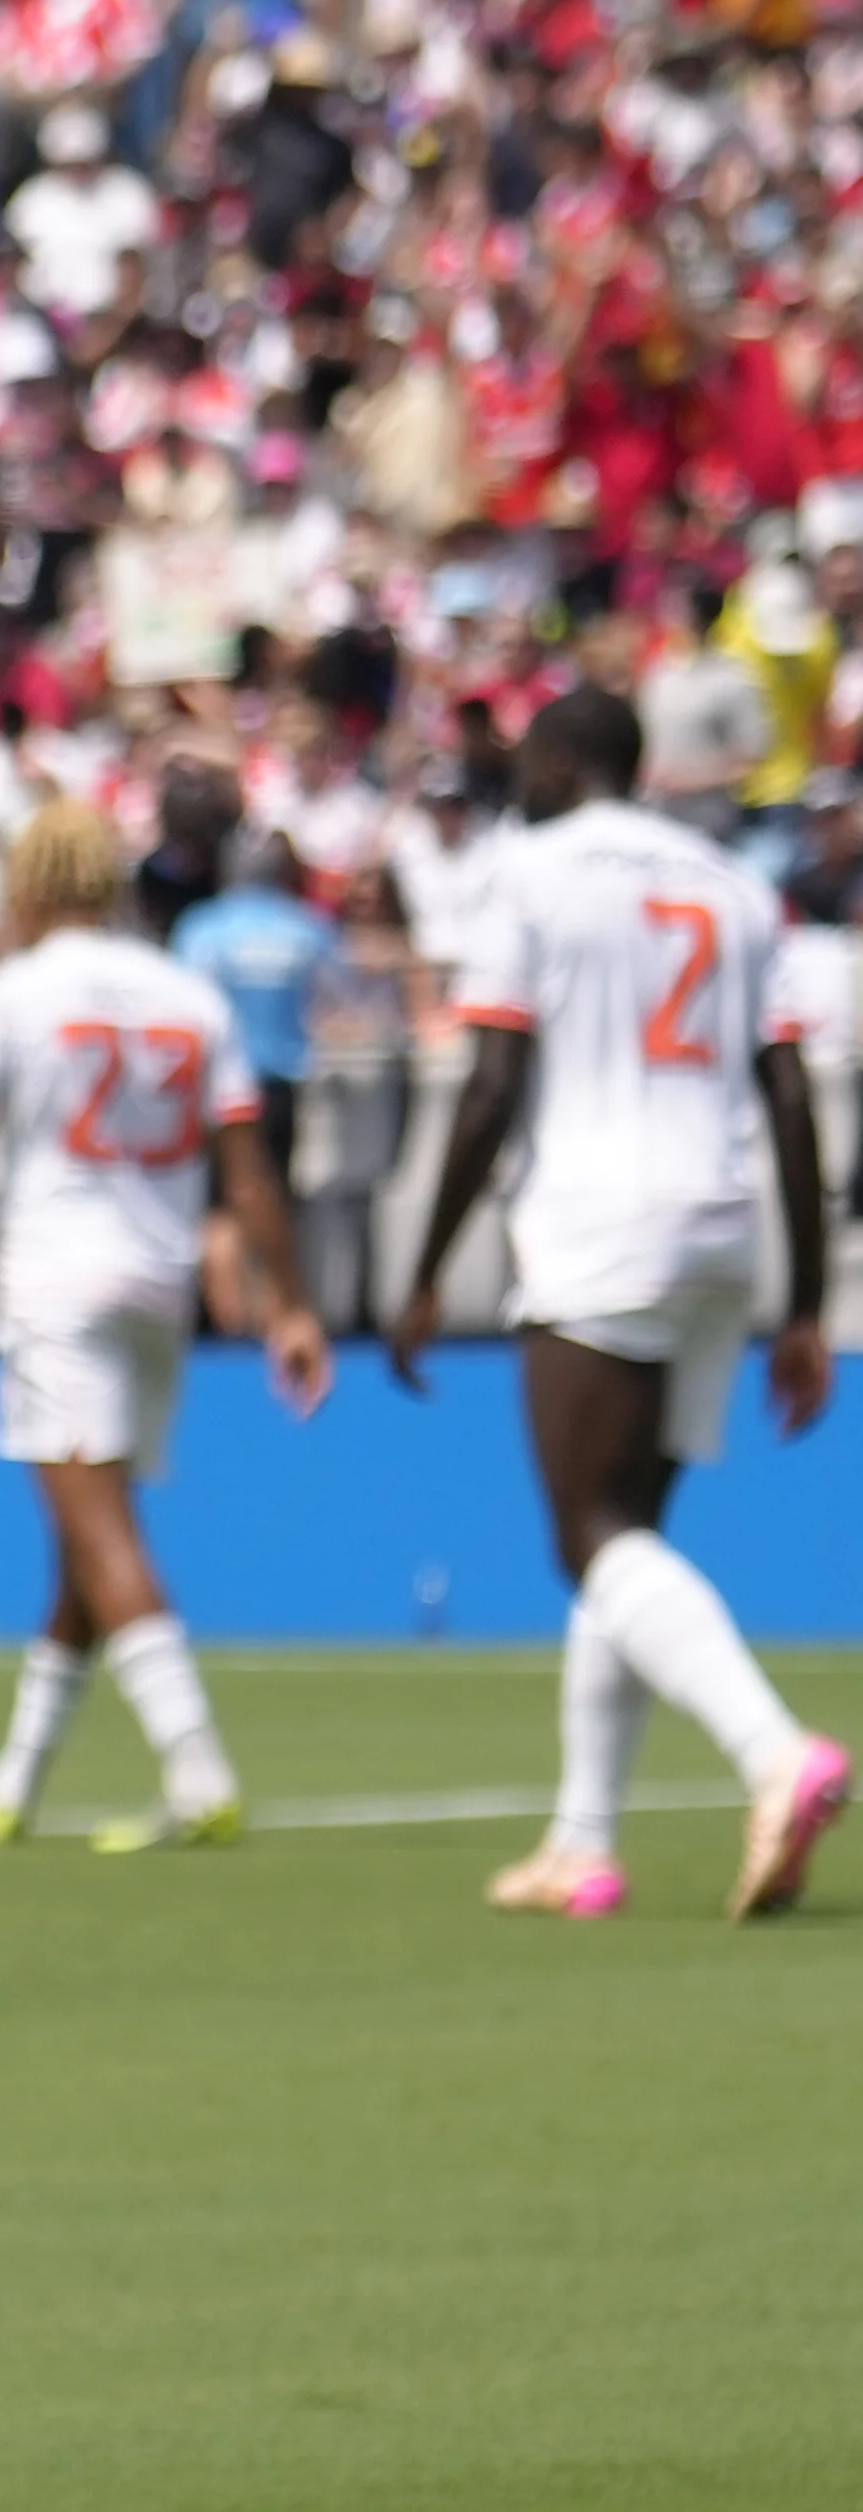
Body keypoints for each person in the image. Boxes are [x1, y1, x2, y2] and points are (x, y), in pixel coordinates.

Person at [390, 689, 842, 1922]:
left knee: (587, 1532)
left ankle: (773, 1755)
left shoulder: (526, 872)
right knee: (630, 1532)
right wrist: (807, 1302)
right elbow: (792, 1100)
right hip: (719, 1227)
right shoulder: (731, 883)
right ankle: (582, 1843)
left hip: (595, 1227)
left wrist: (424, 1264)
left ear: (551, 760)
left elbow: (489, 1087)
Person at [0, 801, 333, 1856]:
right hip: (159, 1289)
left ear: (28, 886)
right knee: (83, 1550)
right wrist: (288, 1303)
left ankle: (199, 1772)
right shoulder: (190, 997)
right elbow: (248, 1171)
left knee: (103, 1536)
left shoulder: (13, 997)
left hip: (59, 1283)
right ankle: (13, 1784)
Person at [174, 829, 339, 1320]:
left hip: (215, 1087)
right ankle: (273, 1317)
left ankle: (227, 1327)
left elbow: (182, 1005)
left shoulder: (201, 928)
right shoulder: (306, 927)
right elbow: (342, 999)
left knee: (221, 1208)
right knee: (272, 1201)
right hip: (278, 1084)